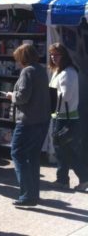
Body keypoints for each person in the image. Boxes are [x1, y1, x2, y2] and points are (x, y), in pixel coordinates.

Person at [6, 43, 50, 207]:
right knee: (32, 157)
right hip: (41, 120)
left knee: (17, 154)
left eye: (18, 59)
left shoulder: (27, 71)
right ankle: (33, 194)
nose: (17, 62)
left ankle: (26, 194)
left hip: (27, 121)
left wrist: (12, 95)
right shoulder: (40, 70)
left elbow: (23, 97)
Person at [49, 42, 88, 192]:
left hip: (65, 116)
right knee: (62, 149)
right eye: (52, 54)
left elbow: (65, 96)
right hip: (59, 115)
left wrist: (50, 95)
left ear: (64, 55)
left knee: (65, 149)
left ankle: (82, 177)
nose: (53, 57)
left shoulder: (68, 73)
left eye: (56, 54)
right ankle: (63, 179)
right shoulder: (59, 71)